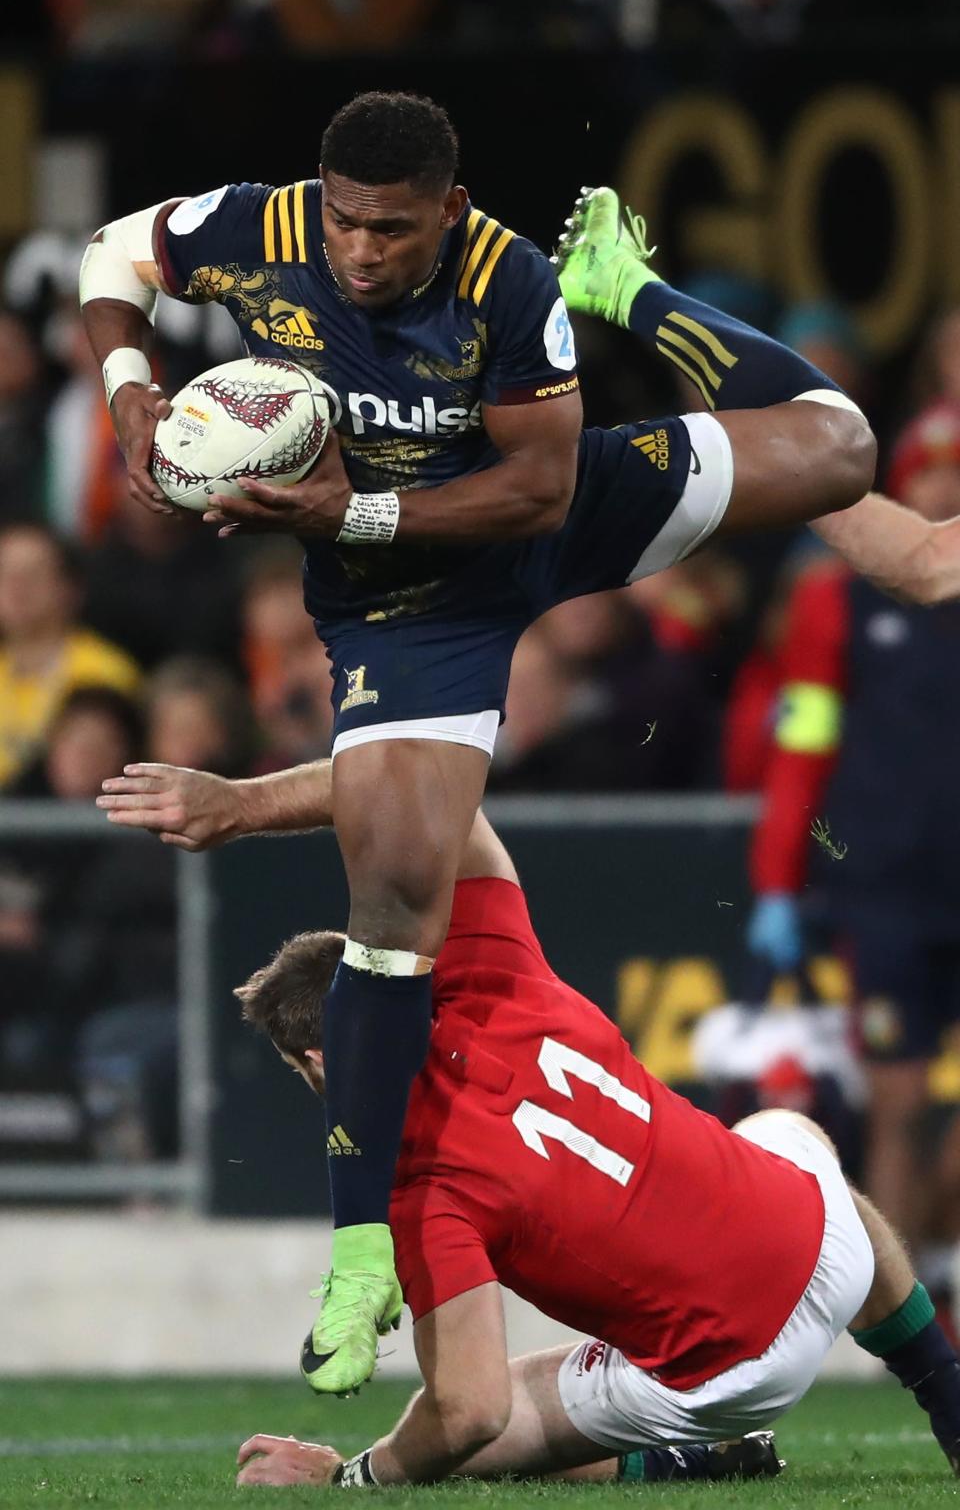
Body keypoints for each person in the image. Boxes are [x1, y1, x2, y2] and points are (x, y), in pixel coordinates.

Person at [82, 83, 960, 1393]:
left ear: (453, 206)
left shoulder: (508, 282)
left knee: (839, 450)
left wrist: (350, 515)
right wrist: (130, 389)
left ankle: (634, 290)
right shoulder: (257, 232)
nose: (362, 251)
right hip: (411, 600)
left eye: (391, 229)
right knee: (393, 897)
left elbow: (545, 488)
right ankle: (359, 1251)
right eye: (344, 224)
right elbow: (111, 254)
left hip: (520, 514)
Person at [96, 758, 960, 1488]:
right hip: (832, 1255)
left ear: (317, 1064)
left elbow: (472, 1414)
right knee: (791, 1141)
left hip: (729, 1375)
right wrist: (242, 805)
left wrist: (354, 1475)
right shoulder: (492, 966)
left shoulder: (415, 1184)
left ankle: (686, 1459)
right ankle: (944, 1383)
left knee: (503, 1399)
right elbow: (409, 779)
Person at [745, 400, 960, 1320]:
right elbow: (804, 746)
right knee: (898, 1110)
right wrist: (775, 884)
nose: (943, 486)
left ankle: (934, 1271)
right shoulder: (835, 601)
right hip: (884, 893)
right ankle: (896, 1323)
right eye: (930, 469)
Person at [0, 522, 141, 792]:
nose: (16, 587)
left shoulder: (107, 672)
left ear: (71, 588)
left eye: (33, 574)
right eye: (5, 573)